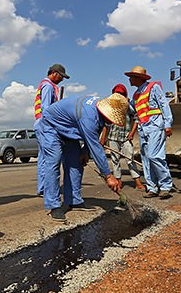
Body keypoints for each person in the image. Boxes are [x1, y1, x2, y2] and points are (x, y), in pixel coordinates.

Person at [36, 93, 127, 222]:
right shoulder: (89, 116)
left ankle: (74, 200)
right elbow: (96, 146)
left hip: (68, 129)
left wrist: (84, 151)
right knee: (53, 163)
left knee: (76, 163)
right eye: (111, 119)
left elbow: (93, 136)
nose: (112, 122)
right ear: (106, 113)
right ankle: (54, 205)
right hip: (50, 126)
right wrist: (108, 175)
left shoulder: (98, 111)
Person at [125, 66, 174, 199]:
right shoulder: (136, 94)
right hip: (143, 129)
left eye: (131, 77)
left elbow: (164, 104)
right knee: (146, 159)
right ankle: (152, 187)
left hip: (155, 126)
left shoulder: (153, 87)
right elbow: (133, 110)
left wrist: (167, 124)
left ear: (139, 78)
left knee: (154, 156)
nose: (129, 79)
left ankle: (165, 185)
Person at [99, 84, 145, 190]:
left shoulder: (128, 106)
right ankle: (118, 181)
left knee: (130, 159)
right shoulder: (110, 106)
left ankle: (138, 182)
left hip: (125, 138)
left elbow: (137, 118)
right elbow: (105, 124)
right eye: (117, 94)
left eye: (121, 94)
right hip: (113, 137)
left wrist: (132, 133)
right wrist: (103, 139)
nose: (119, 96)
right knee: (115, 160)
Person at [34, 63, 69, 196]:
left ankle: (42, 188)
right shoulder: (48, 86)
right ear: (54, 73)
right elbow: (46, 109)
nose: (62, 80)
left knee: (43, 157)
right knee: (47, 158)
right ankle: (45, 188)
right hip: (45, 124)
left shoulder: (46, 85)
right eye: (61, 76)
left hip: (40, 123)